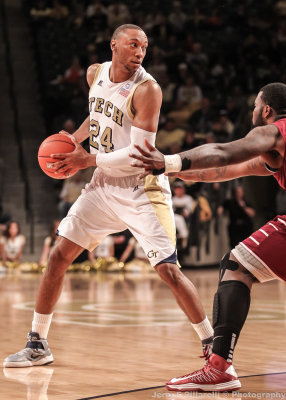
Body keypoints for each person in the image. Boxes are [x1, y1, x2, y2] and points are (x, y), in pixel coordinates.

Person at [3, 24, 213, 368]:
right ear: (113, 45)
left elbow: (142, 153)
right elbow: (98, 113)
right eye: (132, 45)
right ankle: (37, 343)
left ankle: (213, 348)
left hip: (140, 187)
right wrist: (75, 138)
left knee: (169, 272)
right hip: (103, 185)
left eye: (144, 48)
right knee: (58, 256)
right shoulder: (94, 74)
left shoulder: (148, 90)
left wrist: (88, 158)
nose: (139, 53)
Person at [129, 82, 286, 392]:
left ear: (266, 110)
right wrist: (167, 171)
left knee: (237, 265)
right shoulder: (276, 151)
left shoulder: (274, 131)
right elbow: (223, 170)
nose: (252, 111)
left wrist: (169, 161)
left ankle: (219, 368)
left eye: (255, 106)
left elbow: (223, 151)